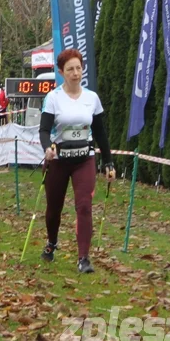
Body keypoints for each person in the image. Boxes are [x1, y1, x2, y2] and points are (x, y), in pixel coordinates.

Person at [39, 49, 115, 273]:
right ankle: (52, 243)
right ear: (61, 72)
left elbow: (100, 132)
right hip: (59, 160)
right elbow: (44, 129)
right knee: (54, 208)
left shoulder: (91, 98)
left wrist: (108, 162)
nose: (75, 73)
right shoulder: (53, 98)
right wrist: (47, 148)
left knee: (84, 206)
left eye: (78, 68)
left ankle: (83, 258)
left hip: (85, 159)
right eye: (70, 69)